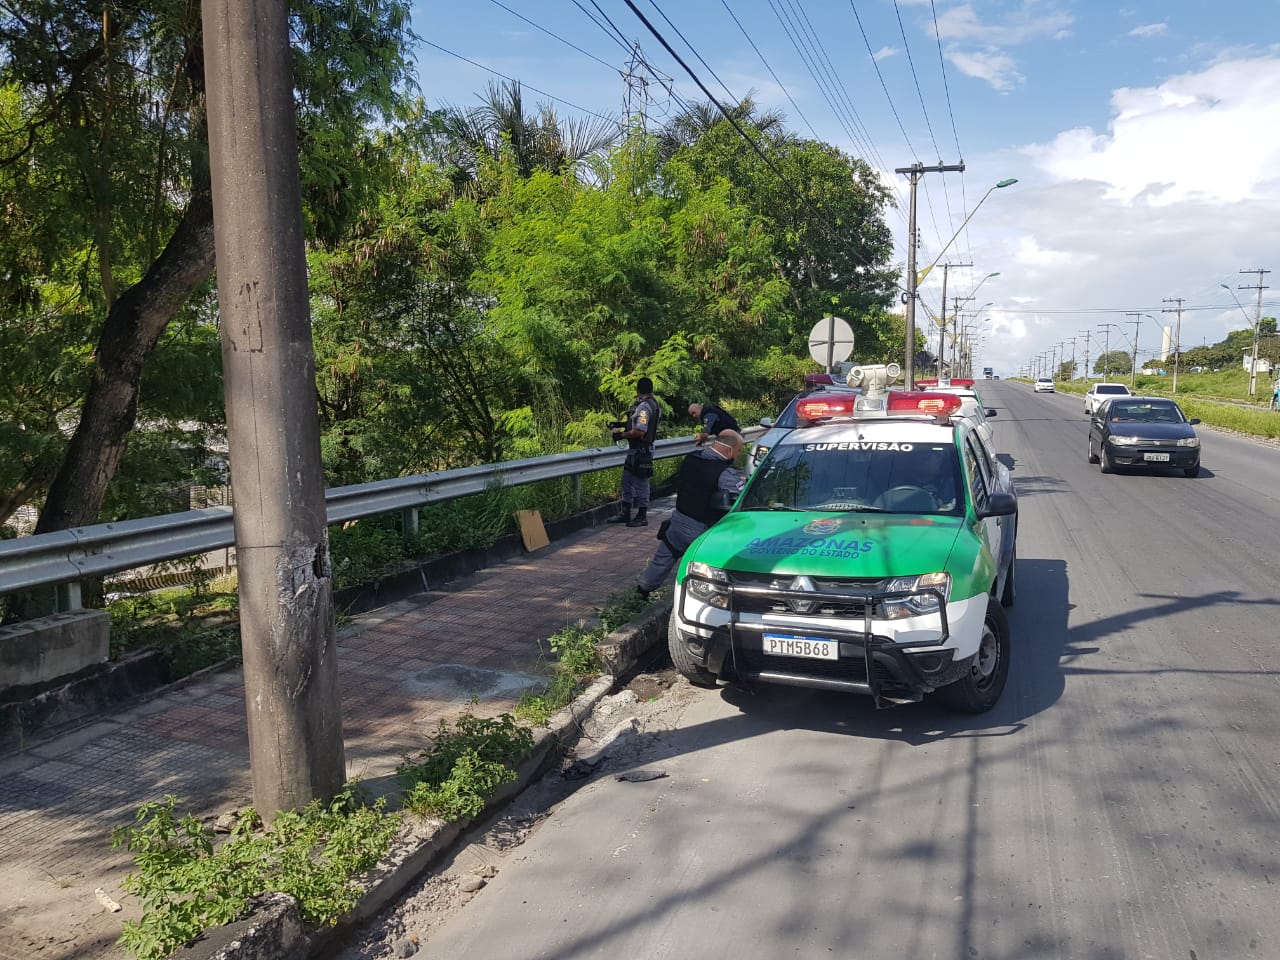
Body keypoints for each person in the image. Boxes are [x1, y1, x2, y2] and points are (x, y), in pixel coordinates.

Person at [636, 430, 746, 599]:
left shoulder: (691, 458)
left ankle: (641, 592)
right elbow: (741, 496)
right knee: (712, 566)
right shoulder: (724, 472)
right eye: (739, 451)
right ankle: (709, 599)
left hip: (677, 521)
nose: (738, 455)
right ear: (729, 449)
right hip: (702, 530)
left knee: (663, 559)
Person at [609, 376, 661, 527]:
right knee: (626, 481)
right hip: (636, 451)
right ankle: (625, 512)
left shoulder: (644, 407)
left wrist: (621, 435)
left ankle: (642, 515)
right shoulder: (654, 404)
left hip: (641, 451)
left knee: (641, 483)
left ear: (638, 390)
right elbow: (635, 422)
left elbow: (640, 430)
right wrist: (620, 424)